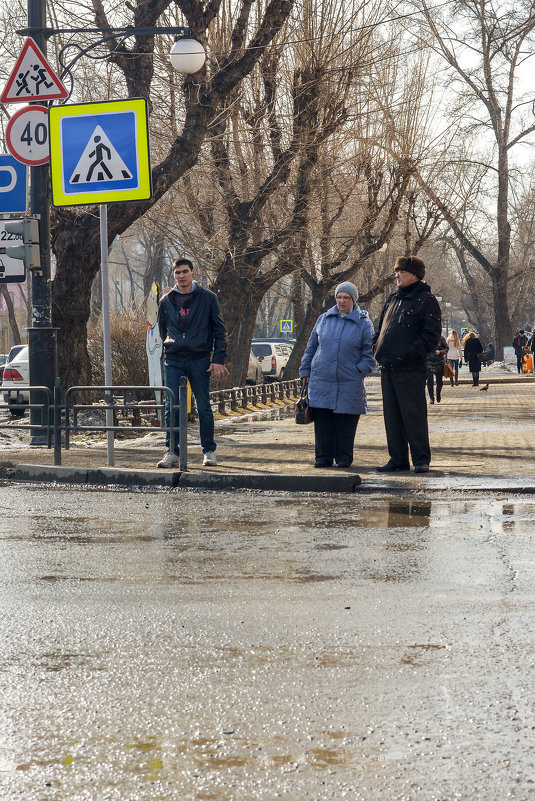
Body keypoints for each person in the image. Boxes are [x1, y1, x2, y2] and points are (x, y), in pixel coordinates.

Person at [156, 258, 229, 468]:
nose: (181, 276)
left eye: (185, 272)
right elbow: (163, 330)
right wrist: (172, 345)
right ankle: (172, 452)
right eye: (177, 273)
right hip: (173, 360)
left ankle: (208, 451)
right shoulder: (166, 301)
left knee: (203, 406)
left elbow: (219, 330)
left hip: (199, 359)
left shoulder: (207, 298)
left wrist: (218, 359)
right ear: (174, 275)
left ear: (193, 272)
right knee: (172, 406)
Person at [372, 255, 441, 473]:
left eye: (401, 272)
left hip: (410, 368)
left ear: (414, 275)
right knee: (392, 417)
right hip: (388, 367)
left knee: (413, 415)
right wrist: (377, 348)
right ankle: (398, 459)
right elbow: (380, 328)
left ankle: (421, 459)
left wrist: (410, 353)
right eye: (396, 271)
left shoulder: (426, 300)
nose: (397, 275)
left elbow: (431, 336)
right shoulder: (392, 299)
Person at [299, 281, 376, 468]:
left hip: (349, 381)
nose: (342, 301)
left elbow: (370, 353)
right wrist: (305, 369)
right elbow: (311, 347)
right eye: (339, 297)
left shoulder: (364, 323)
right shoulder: (323, 319)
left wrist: (360, 371)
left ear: (353, 300)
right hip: (321, 380)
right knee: (323, 422)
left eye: (346, 298)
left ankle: (343, 458)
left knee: (345, 423)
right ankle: (322, 458)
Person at [426, 335, 448, 403]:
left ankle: (438, 393)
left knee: (439, 381)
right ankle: (431, 398)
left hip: (439, 363)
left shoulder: (441, 338)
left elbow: (447, 348)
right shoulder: (426, 338)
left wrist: (441, 352)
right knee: (429, 381)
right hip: (429, 362)